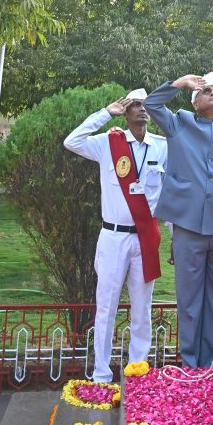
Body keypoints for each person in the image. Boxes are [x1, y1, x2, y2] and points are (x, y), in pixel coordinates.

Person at [145, 72, 213, 369]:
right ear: (195, 102)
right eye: (205, 90)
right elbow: (152, 104)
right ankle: (191, 362)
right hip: (189, 226)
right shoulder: (180, 124)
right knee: (190, 300)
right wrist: (180, 83)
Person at [64, 89, 167, 383]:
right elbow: (71, 141)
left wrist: (174, 237)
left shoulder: (161, 147)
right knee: (106, 305)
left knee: (142, 307)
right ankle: (101, 372)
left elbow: (168, 195)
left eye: (145, 106)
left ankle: (137, 370)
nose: (142, 110)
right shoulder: (109, 143)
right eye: (135, 105)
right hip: (113, 237)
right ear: (125, 110)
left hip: (146, 237)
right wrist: (105, 113)